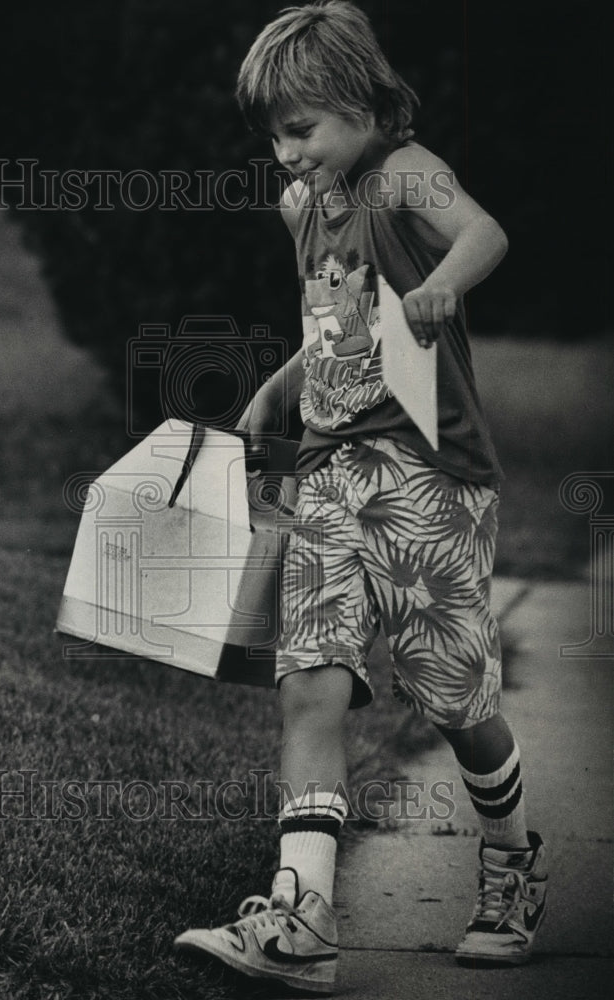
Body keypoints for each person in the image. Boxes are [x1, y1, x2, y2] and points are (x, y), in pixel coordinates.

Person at [173, 2, 547, 994]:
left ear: (361, 103)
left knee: (454, 698)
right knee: (309, 679)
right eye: (271, 135)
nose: (284, 153)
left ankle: (509, 863)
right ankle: (301, 916)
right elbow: (335, 327)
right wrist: (276, 386)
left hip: (431, 478)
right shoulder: (307, 212)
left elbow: (482, 233)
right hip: (331, 475)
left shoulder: (399, 173)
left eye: (299, 129)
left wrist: (440, 288)